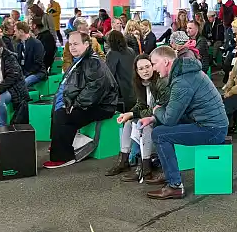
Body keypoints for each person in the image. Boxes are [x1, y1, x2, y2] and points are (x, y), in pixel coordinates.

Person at [145, 46, 228, 199]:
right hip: (212, 125)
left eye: (154, 63)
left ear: (165, 61)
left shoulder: (182, 81)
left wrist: (156, 111)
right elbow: (174, 109)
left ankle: (174, 185)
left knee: (159, 134)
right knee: (160, 126)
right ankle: (169, 173)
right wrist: (155, 116)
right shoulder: (186, 74)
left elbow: (170, 119)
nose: (153, 68)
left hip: (212, 130)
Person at [44, 31, 119, 169]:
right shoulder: (79, 60)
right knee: (58, 110)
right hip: (90, 102)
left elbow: (95, 87)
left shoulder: (92, 62)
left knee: (64, 115)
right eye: (70, 44)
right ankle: (59, 144)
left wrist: (77, 103)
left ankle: (63, 157)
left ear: (86, 44)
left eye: (76, 44)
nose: (72, 47)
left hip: (103, 105)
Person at [117, 55, 169, 183]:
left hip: (163, 115)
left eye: (147, 67)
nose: (145, 71)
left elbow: (158, 108)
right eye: (141, 68)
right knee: (128, 122)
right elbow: (141, 105)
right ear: (137, 71)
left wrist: (133, 114)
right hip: (152, 114)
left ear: (153, 66)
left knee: (145, 125)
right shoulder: (140, 84)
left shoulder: (160, 82)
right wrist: (129, 113)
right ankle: (124, 161)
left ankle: (145, 168)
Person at [104, 30, 137, 175]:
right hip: (135, 91)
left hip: (122, 94)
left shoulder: (112, 54)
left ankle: (125, 156)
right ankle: (133, 155)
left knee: (126, 124)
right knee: (133, 122)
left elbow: (109, 74)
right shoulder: (130, 51)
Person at [14, 22, 47, 88]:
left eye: (15, 31)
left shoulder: (36, 43)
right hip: (24, 73)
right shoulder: (19, 45)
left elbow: (38, 64)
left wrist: (26, 75)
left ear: (21, 31)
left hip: (37, 73)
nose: (14, 33)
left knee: (21, 85)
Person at [222, 43, 237, 134]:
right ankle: (229, 126)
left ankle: (225, 128)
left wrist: (230, 92)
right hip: (235, 90)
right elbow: (232, 76)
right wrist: (227, 89)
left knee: (226, 106)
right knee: (221, 101)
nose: (236, 47)